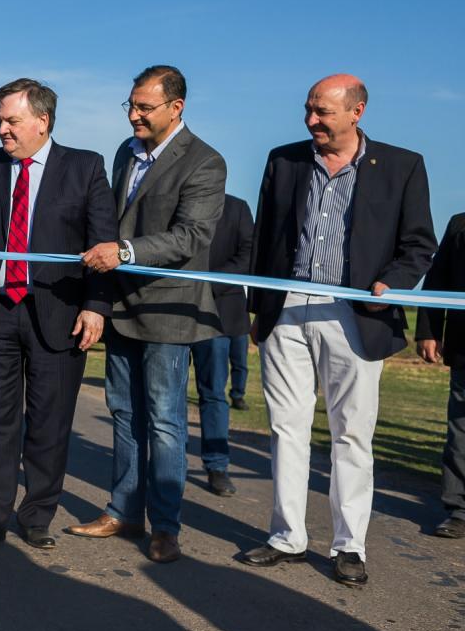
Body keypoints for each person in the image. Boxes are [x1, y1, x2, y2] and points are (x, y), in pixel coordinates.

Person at [241, 74, 435, 586]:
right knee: (287, 428)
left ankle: (349, 547)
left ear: (357, 112)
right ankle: (286, 537)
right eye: (307, 109)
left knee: (351, 434)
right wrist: (259, 310)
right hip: (286, 308)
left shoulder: (402, 166)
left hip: (356, 313)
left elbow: (419, 244)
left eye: (322, 112)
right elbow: (265, 240)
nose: (311, 122)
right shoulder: (284, 160)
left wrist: (389, 283)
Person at [0, 78, 116, 550]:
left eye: (11, 120)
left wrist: (96, 306)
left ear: (42, 121)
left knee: (50, 423)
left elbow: (103, 243)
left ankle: (36, 515)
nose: (2, 130)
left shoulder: (85, 168)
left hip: (58, 314)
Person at [69, 65, 226, 564]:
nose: (133, 115)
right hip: (121, 306)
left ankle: (166, 526)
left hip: (168, 307)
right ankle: (122, 511)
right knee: (124, 414)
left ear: (175, 108)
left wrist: (125, 251)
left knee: (164, 421)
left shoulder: (205, 162)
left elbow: (191, 237)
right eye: (130, 106)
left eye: (144, 107)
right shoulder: (125, 153)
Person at [189, 194, 253, 496]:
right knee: (165, 394)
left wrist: (206, 284)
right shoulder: (179, 200)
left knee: (213, 393)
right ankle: (167, 464)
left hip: (218, 313)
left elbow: (248, 254)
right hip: (171, 308)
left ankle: (217, 466)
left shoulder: (237, 208)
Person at [417, 214, 465, 539]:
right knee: (461, 432)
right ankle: (459, 509)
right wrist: (429, 330)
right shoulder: (460, 225)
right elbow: (437, 280)